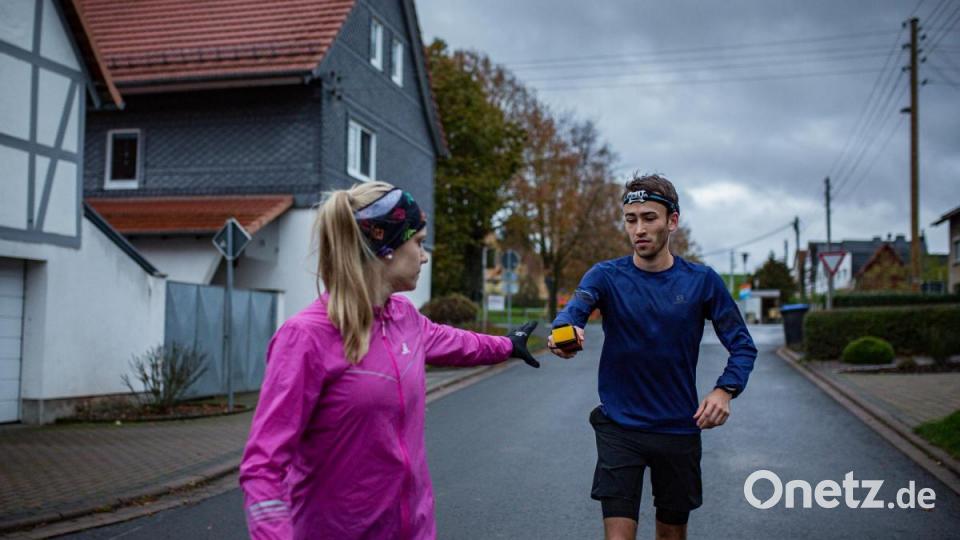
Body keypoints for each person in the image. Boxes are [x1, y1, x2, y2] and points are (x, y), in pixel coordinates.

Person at [239, 181, 540, 539]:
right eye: (418, 242)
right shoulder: (305, 337)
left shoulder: (403, 316)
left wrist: (507, 345)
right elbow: (262, 467)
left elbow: (453, 340)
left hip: (414, 528)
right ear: (386, 247)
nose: (424, 255)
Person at [548, 173, 758, 540]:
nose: (639, 229)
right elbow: (573, 312)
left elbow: (742, 344)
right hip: (619, 426)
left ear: (672, 221)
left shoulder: (702, 281)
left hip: (678, 428)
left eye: (649, 218)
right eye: (631, 220)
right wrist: (564, 336)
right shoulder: (606, 276)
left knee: (672, 534)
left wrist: (725, 390)